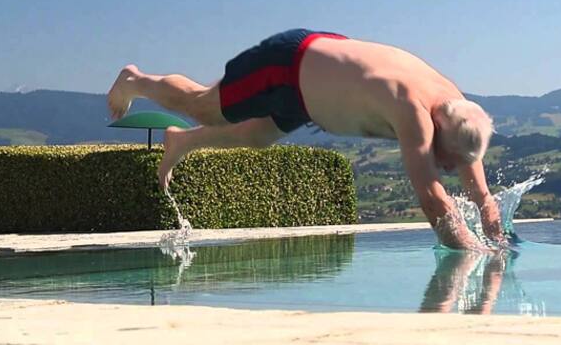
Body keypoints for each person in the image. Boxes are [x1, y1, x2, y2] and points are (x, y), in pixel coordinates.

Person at [107, 28, 504, 250]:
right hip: (286, 66)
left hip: (316, 89)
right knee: (203, 105)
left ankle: (182, 141)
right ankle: (135, 80)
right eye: (447, 158)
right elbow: (434, 200)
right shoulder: (413, 110)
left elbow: (481, 193)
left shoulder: (457, 109)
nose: (448, 167)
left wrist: (499, 239)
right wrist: (477, 254)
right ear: (436, 127)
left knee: (257, 136)